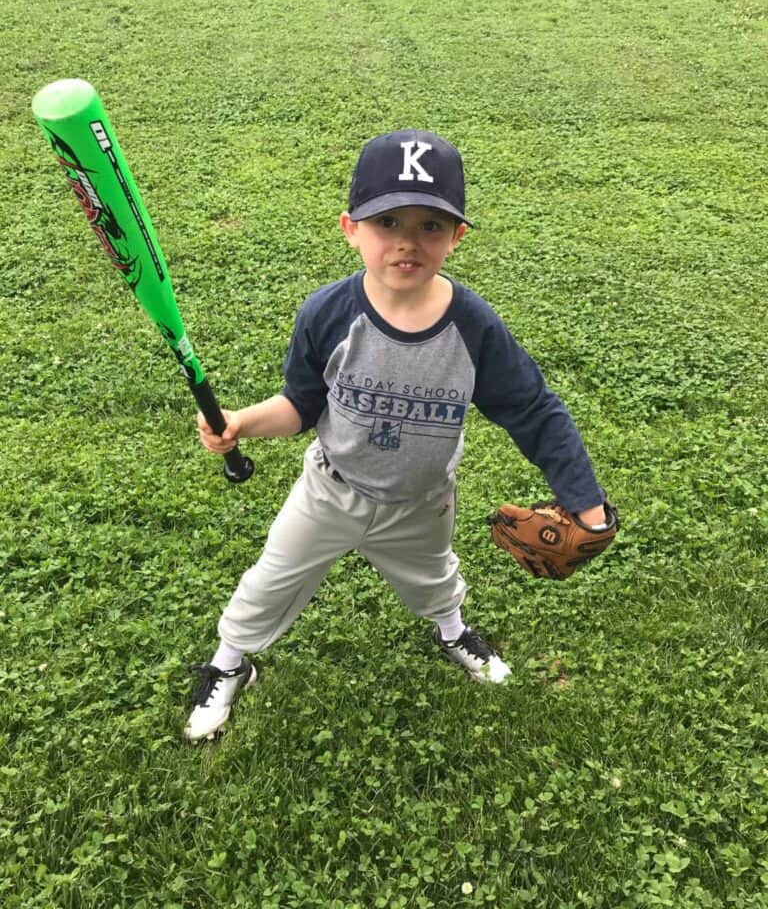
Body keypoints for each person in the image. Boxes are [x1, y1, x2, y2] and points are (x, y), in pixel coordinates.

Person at [184, 129, 611, 742]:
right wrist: (244, 423)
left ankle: (452, 630)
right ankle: (230, 662)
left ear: (457, 236)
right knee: (269, 580)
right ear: (350, 228)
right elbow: (301, 406)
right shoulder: (328, 314)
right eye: (387, 221)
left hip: (422, 498)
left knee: (434, 577)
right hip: (331, 489)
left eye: (430, 225)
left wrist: (585, 499)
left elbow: (534, 410)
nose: (407, 241)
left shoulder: (472, 326)